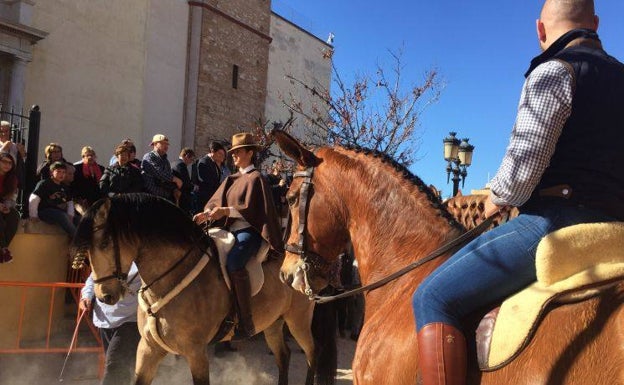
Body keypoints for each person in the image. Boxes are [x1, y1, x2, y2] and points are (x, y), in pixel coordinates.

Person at [412, 2, 624, 385]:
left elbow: (521, 174)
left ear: (540, 30)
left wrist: (491, 201)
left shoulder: (554, 72)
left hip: (553, 223)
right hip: (616, 231)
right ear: (595, 24)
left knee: (431, 297)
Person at [193, 132, 283, 338]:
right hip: (228, 231)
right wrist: (205, 214)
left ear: (250, 153)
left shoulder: (257, 178)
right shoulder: (231, 179)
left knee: (234, 262)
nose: (233, 156)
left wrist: (225, 211)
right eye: (232, 152)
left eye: (238, 152)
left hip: (249, 231)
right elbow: (216, 203)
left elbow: (254, 209)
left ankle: (246, 320)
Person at [80, 263, 141, 385]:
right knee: (120, 364)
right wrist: (86, 297)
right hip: (105, 318)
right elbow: (93, 279)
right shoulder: (107, 258)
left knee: (114, 362)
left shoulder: (141, 260)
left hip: (130, 320)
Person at [28, 162, 77, 237]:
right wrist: (33, 215)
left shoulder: (64, 186)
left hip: (60, 212)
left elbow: (70, 202)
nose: (62, 174)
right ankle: (77, 239)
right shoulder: (44, 184)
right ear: (51, 172)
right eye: (58, 171)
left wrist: (71, 215)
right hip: (45, 211)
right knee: (62, 216)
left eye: (64, 172)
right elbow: (34, 198)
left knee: (79, 219)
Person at [141, 134, 182, 202]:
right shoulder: (149, 157)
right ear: (155, 144)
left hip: (164, 197)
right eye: (163, 143)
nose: (166, 146)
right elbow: (158, 172)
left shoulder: (166, 161)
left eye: (167, 144)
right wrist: (175, 179)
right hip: (151, 197)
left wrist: (175, 189)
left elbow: (168, 175)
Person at [192, 141, 226, 211]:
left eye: (223, 154)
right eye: (220, 153)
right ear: (212, 151)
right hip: (204, 200)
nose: (222, 156)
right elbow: (206, 182)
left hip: (212, 199)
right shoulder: (204, 162)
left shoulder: (214, 163)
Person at [0, 153, 19, 263]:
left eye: (10, 163)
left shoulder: (12, 178)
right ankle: (3, 250)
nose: (7, 165)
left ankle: (3, 249)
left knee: (14, 215)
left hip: (3, 204)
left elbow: (12, 196)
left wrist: (7, 206)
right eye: (4, 162)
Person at [172, 147, 195, 215]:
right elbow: (186, 183)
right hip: (182, 197)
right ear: (186, 156)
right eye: (191, 159)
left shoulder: (173, 163)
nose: (191, 162)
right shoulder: (181, 165)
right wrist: (193, 187)